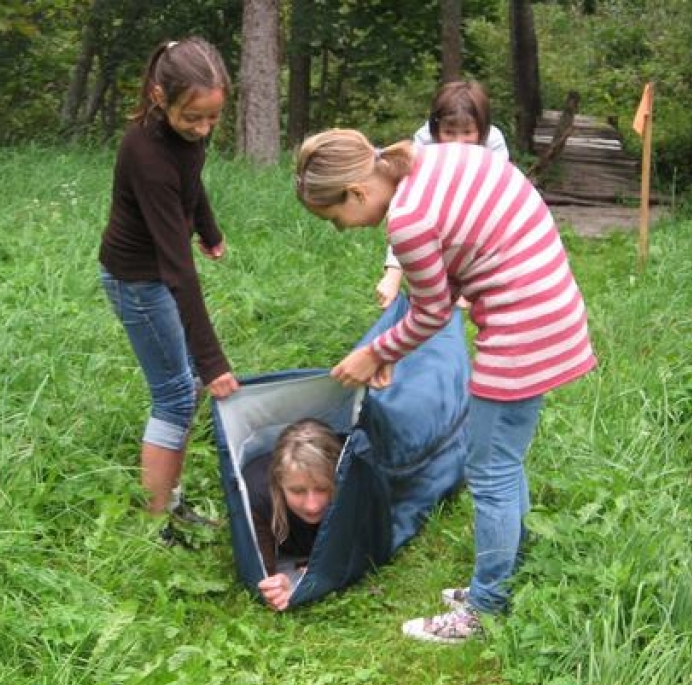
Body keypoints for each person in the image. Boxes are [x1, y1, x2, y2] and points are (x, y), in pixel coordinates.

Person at [295, 129, 596, 643]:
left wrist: (375, 351)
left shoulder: (407, 221)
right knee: (503, 460)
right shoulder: (425, 161)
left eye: (334, 218)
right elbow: (462, 252)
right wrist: (389, 351)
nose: (341, 229)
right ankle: (506, 575)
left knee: (490, 471)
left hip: (525, 325)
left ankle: (485, 609)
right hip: (550, 309)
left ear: (358, 193)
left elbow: (432, 312)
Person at [99, 36, 239, 520]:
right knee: (178, 392)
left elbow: (192, 178)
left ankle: (171, 503)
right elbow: (176, 268)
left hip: (155, 273)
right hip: (137, 280)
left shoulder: (182, 140)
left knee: (185, 389)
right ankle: (158, 521)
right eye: (192, 118)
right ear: (160, 97)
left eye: (212, 118)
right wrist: (213, 360)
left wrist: (209, 228)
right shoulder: (147, 155)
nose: (202, 130)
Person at [375, 80, 509, 308]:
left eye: (467, 133)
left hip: (479, 206)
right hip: (437, 204)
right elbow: (409, 206)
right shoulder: (424, 142)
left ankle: (474, 282)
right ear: (436, 130)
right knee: (415, 216)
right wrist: (394, 270)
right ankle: (395, 276)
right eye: (449, 132)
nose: (458, 142)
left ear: (482, 129)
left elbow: (500, 197)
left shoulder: (493, 143)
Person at [242, 419, 344, 611]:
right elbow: (264, 574)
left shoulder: (352, 480)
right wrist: (280, 587)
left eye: (322, 489)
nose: (312, 506)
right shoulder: (257, 495)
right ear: (280, 482)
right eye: (297, 491)